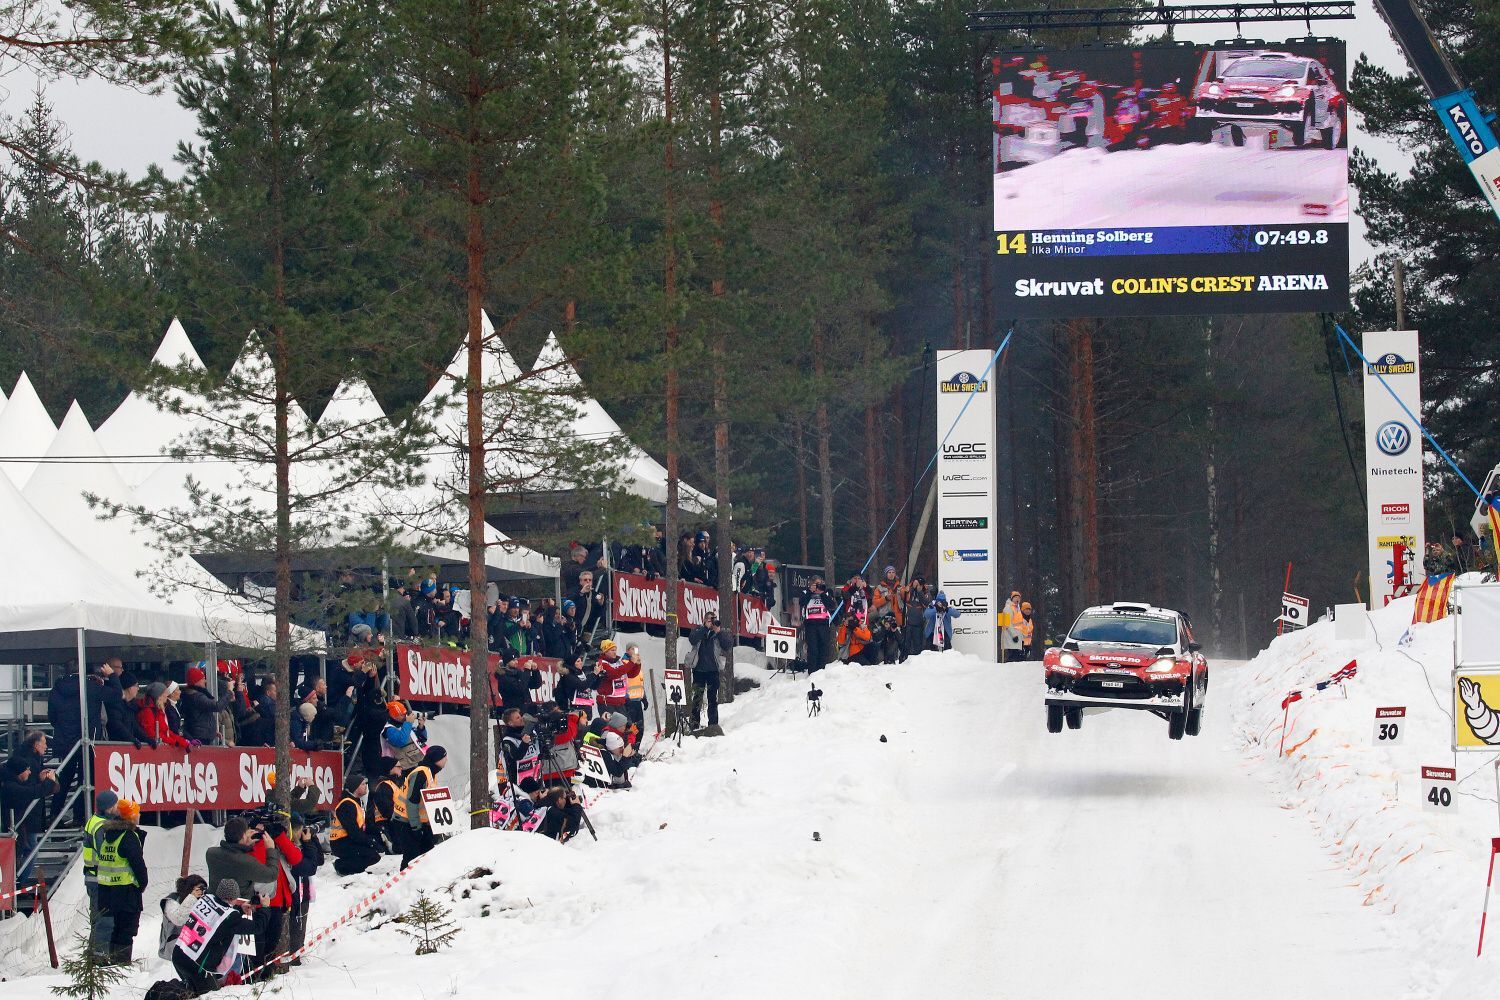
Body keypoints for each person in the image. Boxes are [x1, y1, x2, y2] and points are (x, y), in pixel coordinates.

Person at [172, 879, 259, 994]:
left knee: (191, 992)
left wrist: (240, 910)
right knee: (211, 995)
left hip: (179, 955)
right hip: (197, 965)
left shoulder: (207, 898)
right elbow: (258, 927)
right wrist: (265, 908)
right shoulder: (230, 917)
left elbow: (219, 917)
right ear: (234, 897)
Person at [47, 662, 105, 824]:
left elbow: (52, 716)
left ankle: (54, 815)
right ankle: (80, 816)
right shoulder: (90, 687)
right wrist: (111, 678)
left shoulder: (58, 687)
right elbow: (113, 695)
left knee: (64, 779)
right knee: (85, 779)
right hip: (85, 740)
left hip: (65, 741)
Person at [94, 797, 147, 965]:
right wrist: (142, 884)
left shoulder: (108, 833)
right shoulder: (129, 836)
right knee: (126, 931)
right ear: (130, 816)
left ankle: (115, 963)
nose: (138, 815)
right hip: (126, 892)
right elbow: (138, 865)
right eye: (136, 813)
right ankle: (122, 965)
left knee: (116, 930)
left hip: (107, 891)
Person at [1, 731, 58, 885]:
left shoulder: (18, 772)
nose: (46, 746)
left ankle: (17, 882)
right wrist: (48, 783)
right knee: (27, 850)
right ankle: (18, 883)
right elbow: (32, 792)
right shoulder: (11, 786)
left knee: (26, 850)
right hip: (22, 820)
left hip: (23, 819)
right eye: (44, 742)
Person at [82, 790, 121, 957]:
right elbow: (104, 852)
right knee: (104, 918)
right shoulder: (101, 826)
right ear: (108, 807)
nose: (117, 807)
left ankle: (94, 951)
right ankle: (99, 954)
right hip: (99, 878)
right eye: (115, 804)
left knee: (97, 917)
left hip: (92, 876)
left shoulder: (94, 821)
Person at [205, 816, 282, 902]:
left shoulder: (211, 853)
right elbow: (272, 875)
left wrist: (244, 847)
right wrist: (270, 849)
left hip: (214, 903)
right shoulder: (247, 862)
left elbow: (233, 859)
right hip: (239, 907)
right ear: (243, 836)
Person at [395, 745, 448, 867]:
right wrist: (416, 827)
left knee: (426, 855)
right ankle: (404, 884)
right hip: (406, 821)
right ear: (437, 760)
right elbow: (412, 801)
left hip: (418, 821)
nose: (446, 760)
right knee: (411, 858)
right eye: (445, 757)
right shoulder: (421, 773)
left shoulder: (431, 773)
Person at [285, 814, 323, 963]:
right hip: (294, 893)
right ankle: (293, 958)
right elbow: (309, 867)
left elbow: (319, 860)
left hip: (303, 892)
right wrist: (307, 845)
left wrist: (311, 841)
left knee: (300, 926)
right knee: (294, 926)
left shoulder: (303, 843)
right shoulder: (290, 847)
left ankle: (296, 953)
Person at [688, 613, 734, 732]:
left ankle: (713, 724)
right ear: (704, 620)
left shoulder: (718, 633)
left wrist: (718, 632)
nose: (711, 622)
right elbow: (692, 639)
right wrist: (704, 628)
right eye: (709, 620)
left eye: (713, 620)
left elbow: (728, 645)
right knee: (697, 698)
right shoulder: (698, 630)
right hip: (698, 670)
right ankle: (694, 724)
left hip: (713, 671)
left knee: (712, 698)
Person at [158, 875, 208, 961]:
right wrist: (192, 897)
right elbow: (179, 920)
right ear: (189, 888)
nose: (200, 892)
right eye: (198, 889)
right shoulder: (172, 900)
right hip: (173, 945)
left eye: (202, 889)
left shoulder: (201, 901)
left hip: (194, 944)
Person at [180, 666, 232, 746]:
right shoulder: (197, 697)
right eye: (202, 679)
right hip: (200, 738)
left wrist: (211, 732)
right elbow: (217, 706)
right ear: (196, 682)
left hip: (201, 735)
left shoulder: (192, 696)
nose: (205, 681)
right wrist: (229, 692)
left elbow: (201, 718)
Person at [583, 713, 636, 788]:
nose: (622, 750)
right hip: (598, 787)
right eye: (620, 748)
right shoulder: (606, 754)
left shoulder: (611, 743)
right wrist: (625, 757)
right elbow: (617, 772)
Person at [103, 671, 153, 747]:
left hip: (126, 747)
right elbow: (117, 725)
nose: (138, 688)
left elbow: (135, 726)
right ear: (130, 688)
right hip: (116, 748)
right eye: (136, 685)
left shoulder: (131, 705)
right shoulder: (115, 703)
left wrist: (146, 739)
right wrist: (131, 739)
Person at [594, 639, 640, 720]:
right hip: (607, 703)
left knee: (625, 727)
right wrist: (631, 663)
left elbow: (631, 674)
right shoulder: (602, 663)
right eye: (612, 650)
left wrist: (637, 664)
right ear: (605, 651)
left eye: (615, 650)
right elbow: (614, 674)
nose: (615, 652)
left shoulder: (619, 662)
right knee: (611, 727)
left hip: (620, 702)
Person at [368, 757, 406, 855]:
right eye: (398, 766)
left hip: (393, 823)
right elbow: (387, 811)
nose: (401, 768)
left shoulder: (391, 784)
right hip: (388, 825)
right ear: (390, 769)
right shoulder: (384, 785)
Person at [139, 682, 192, 751]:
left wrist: (183, 742)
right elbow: (150, 733)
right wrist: (173, 741)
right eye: (165, 693)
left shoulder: (159, 710)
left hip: (162, 746)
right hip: (153, 749)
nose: (167, 696)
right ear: (159, 695)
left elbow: (166, 731)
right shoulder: (148, 711)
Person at [499, 707, 542, 785]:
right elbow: (516, 756)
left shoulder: (531, 732)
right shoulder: (507, 740)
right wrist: (524, 743)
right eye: (518, 718)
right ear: (510, 723)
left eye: (520, 716)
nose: (522, 719)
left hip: (535, 777)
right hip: (519, 781)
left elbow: (540, 751)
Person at [381, 699, 429, 770]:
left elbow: (423, 739)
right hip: (407, 767)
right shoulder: (388, 729)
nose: (405, 716)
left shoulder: (404, 724)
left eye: (405, 714)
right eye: (402, 715)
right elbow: (401, 741)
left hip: (419, 761)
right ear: (394, 716)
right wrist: (408, 723)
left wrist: (421, 727)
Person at [799, 577, 834, 672]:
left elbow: (831, 605)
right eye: (816, 584)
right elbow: (801, 602)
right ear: (810, 584)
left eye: (820, 583)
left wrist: (821, 593)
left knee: (823, 648)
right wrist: (811, 591)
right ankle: (812, 671)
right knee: (813, 649)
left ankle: (821, 671)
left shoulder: (826, 592)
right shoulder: (805, 593)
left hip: (823, 624)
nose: (818, 586)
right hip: (810, 624)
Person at [553, 653, 598, 719]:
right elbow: (582, 686)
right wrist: (594, 674)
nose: (581, 663)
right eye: (578, 661)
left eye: (581, 661)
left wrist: (598, 676)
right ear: (572, 663)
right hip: (574, 708)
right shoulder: (568, 676)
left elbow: (594, 687)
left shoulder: (582, 673)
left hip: (585, 706)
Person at [622, 643, 649, 742]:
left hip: (637, 701)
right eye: (633, 649)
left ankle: (636, 749)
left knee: (640, 728)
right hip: (628, 701)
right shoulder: (624, 663)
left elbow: (640, 683)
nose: (635, 651)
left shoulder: (638, 665)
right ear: (628, 650)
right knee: (631, 728)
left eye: (636, 649)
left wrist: (644, 698)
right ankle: (630, 748)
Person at [902, 578, 932, 659]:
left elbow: (927, 603)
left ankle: (917, 661)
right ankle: (905, 659)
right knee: (906, 643)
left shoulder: (926, 593)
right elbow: (905, 599)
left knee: (918, 644)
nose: (918, 586)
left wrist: (919, 591)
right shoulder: (910, 591)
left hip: (919, 623)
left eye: (919, 584)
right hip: (908, 622)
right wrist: (911, 589)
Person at [1001, 590, 1024, 662]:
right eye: (1016, 597)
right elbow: (1007, 623)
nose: (1017, 599)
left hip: (1017, 637)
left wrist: (1022, 638)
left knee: (1016, 658)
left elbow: (1020, 624)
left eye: (1019, 598)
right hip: (1011, 637)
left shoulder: (1018, 609)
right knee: (1012, 658)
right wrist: (1014, 635)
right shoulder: (1008, 608)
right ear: (1012, 598)